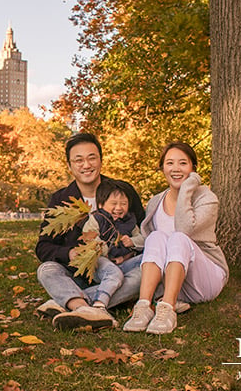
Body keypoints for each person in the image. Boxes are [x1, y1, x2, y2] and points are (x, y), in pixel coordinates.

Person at [35, 133, 145, 330]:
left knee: (144, 275)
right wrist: (69, 253)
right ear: (70, 166)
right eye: (79, 160)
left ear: (100, 160)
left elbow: (143, 230)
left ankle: (69, 303)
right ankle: (89, 308)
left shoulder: (122, 191)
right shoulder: (61, 200)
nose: (86, 164)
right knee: (46, 270)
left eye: (92, 158)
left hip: (120, 268)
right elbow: (43, 248)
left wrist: (129, 248)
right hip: (79, 273)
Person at [123, 142, 228, 334]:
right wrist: (127, 245)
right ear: (162, 167)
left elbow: (185, 229)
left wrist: (187, 189)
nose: (176, 169)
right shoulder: (156, 201)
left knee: (178, 238)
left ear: (193, 168)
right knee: (156, 236)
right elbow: (150, 240)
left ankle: (167, 309)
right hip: (173, 282)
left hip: (205, 279)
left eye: (183, 163)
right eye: (170, 163)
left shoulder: (206, 197)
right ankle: (144, 307)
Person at [72, 178, 144, 316]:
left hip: (122, 262)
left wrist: (133, 241)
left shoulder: (129, 221)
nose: (119, 208)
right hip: (101, 262)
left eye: (123, 204)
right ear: (100, 204)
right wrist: (107, 248)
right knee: (114, 274)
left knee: (146, 261)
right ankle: (100, 304)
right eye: (114, 203)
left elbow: (142, 238)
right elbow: (90, 240)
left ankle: (74, 301)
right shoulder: (96, 219)